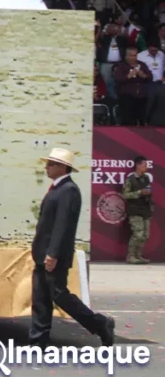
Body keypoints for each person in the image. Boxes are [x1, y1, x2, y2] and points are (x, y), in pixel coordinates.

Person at [29, 148, 115, 348]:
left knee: (60, 296)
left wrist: (53, 253)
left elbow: (63, 224)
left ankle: (100, 323)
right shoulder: (57, 188)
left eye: (51, 164)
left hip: (54, 255)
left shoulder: (69, 190)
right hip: (43, 253)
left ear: (62, 167)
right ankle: (38, 342)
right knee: (40, 298)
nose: (46, 167)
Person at [121, 156, 153, 264]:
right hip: (134, 210)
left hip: (145, 209)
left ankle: (138, 256)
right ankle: (131, 256)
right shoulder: (130, 179)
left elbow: (148, 191)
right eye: (144, 165)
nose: (146, 167)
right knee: (138, 234)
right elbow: (125, 195)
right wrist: (139, 193)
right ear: (138, 165)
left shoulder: (146, 178)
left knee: (145, 235)